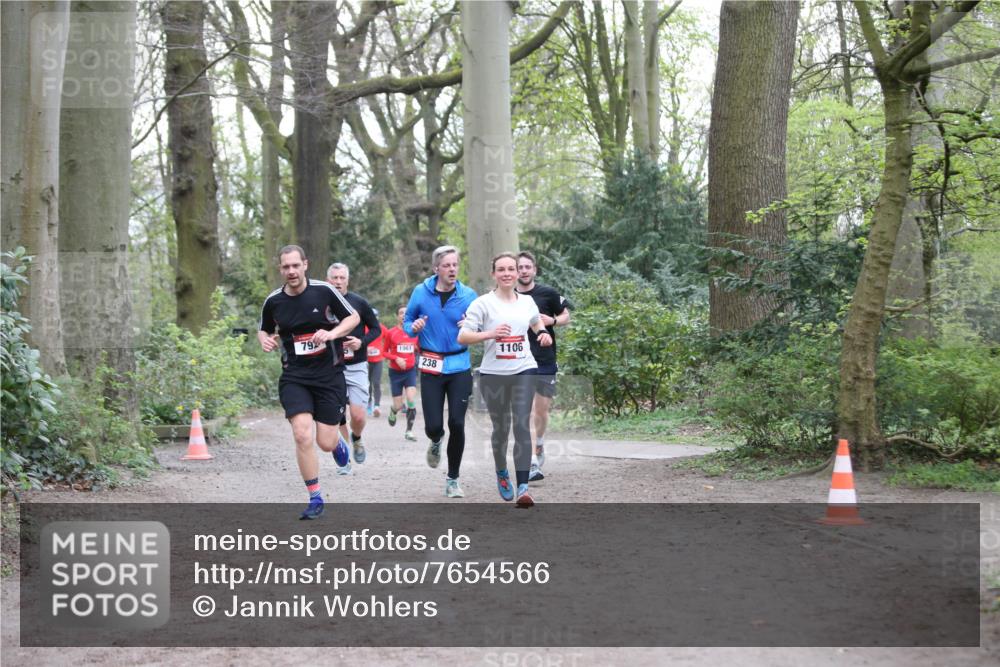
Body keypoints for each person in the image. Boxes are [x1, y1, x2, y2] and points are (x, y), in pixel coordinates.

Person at [258, 245, 360, 520]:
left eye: (295, 265)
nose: (291, 271)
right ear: (280, 269)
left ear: (305, 264)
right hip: (295, 376)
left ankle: (337, 444)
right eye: (286, 267)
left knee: (325, 442)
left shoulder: (324, 291)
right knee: (302, 434)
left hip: (329, 376)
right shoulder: (274, 301)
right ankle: (315, 497)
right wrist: (264, 340)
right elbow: (264, 329)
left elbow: (353, 317)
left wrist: (332, 333)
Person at [458, 252, 552, 508]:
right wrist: (490, 334)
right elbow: (463, 337)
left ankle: (523, 488)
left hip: (524, 369)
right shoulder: (482, 304)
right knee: (501, 427)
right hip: (494, 374)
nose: (507, 273)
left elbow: (535, 322)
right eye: (502, 269)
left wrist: (543, 333)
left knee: (522, 424)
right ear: (494, 274)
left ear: (518, 273)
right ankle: (501, 472)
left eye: (511, 269)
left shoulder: (527, 302)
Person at [403, 245, 477, 498]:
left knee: (457, 422)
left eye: (455, 265)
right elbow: (407, 322)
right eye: (447, 265)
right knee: (434, 426)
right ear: (436, 268)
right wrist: (413, 327)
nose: (452, 269)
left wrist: (471, 325)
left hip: (459, 365)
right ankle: (436, 440)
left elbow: (482, 324)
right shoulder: (420, 292)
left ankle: (453, 479)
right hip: (431, 365)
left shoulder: (468, 295)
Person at [516, 251, 572, 481]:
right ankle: (531, 462)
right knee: (528, 411)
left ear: (534, 270)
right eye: (520, 267)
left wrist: (553, 321)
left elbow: (566, 315)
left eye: (527, 267)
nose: (524, 271)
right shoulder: (508, 297)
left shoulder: (547, 293)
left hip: (545, 359)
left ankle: (539, 442)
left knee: (541, 411)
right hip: (520, 360)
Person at [327, 263, 381, 473]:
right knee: (336, 415)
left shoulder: (359, 302)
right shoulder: (321, 303)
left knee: (358, 416)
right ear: (328, 280)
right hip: (330, 367)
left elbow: (376, 329)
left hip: (356, 365)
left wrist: (361, 342)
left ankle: (357, 437)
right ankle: (345, 458)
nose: (338, 282)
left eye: (342, 278)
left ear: (347, 280)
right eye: (334, 278)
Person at [383, 305, 420, 441]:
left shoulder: (415, 333)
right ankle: (393, 410)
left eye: (406, 313)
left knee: (411, 399)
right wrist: (396, 358)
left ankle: (409, 431)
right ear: (397, 316)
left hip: (410, 371)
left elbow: (420, 348)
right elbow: (384, 352)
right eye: (401, 313)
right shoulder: (391, 333)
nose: (404, 315)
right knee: (398, 405)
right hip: (395, 373)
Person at [366, 314, 388, 418]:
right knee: (367, 384)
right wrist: (365, 348)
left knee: (376, 383)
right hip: (366, 361)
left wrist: (384, 350)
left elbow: (389, 339)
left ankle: (377, 406)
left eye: (375, 317)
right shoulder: (364, 328)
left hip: (378, 360)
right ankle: (369, 404)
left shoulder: (381, 328)